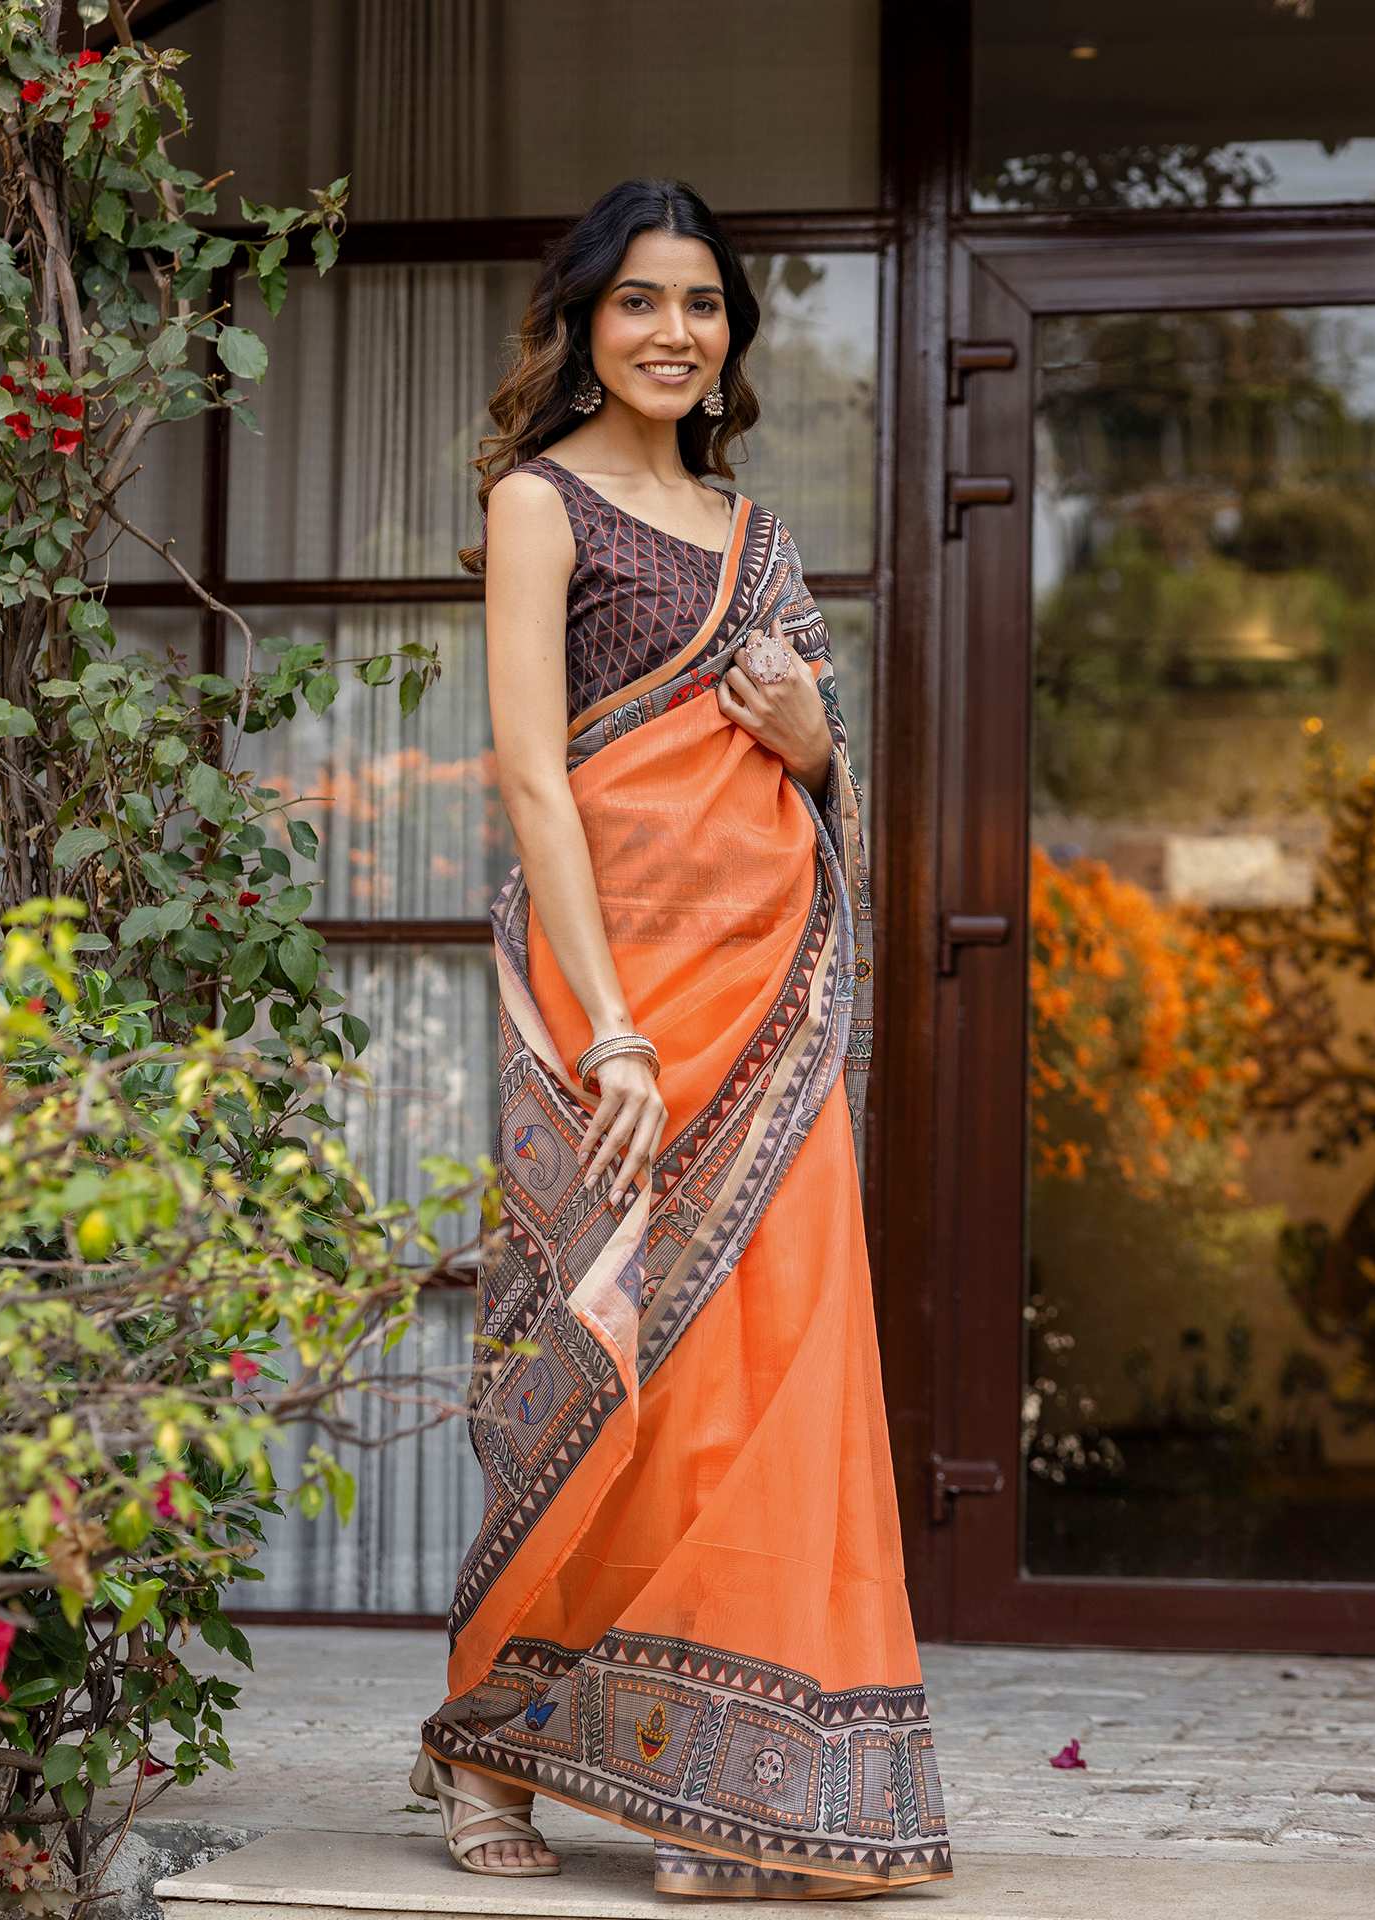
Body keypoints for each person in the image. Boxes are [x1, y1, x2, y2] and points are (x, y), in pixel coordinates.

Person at [411, 176, 953, 1900]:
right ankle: (484, 1754)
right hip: (618, 1005)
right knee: (583, 1367)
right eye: (639, 301)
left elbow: (833, 801)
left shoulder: (756, 532)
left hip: (771, 994)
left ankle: (726, 1789)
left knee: (761, 1384)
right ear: (581, 321)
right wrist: (616, 1033)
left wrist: (811, 742)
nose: (672, 332)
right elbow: (527, 777)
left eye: (702, 305)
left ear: (732, 336)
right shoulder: (538, 506)